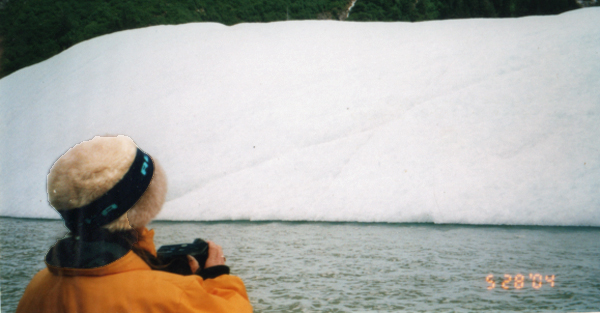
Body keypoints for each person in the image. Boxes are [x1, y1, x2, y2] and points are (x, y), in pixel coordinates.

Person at [16, 135, 252, 313]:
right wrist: (218, 276)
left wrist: (152, 266)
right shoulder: (171, 296)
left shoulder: (36, 287)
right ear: (144, 206)